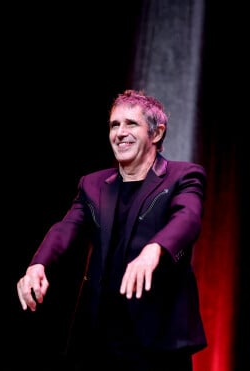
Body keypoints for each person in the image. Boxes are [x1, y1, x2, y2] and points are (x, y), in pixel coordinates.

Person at [16, 89, 207, 371]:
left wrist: (154, 249)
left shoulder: (183, 175)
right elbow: (66, 227)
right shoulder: (92, 185)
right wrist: (38, 264)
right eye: (114, 125)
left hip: (159, 337)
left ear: (156, 134)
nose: (119, 132)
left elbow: (187, 217)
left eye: (131, 123)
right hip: (99, 336)